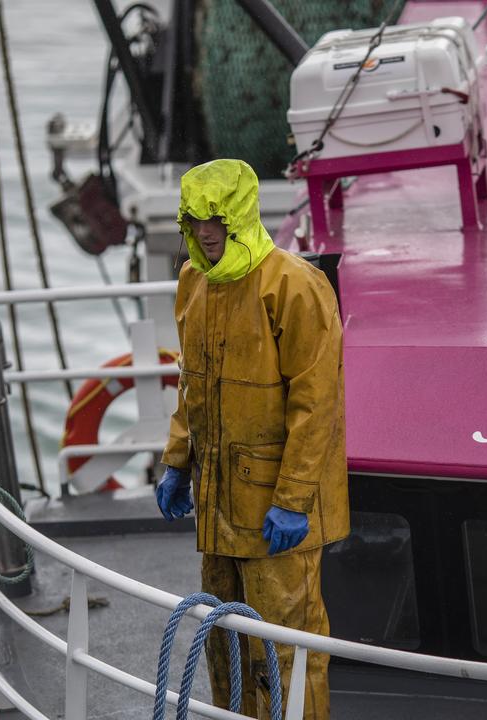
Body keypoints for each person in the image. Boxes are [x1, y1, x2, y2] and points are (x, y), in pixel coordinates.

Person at [156, 158, 349, 720]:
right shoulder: (194, 282)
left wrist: (291, 501)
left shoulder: (295, 286)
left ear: (239, 214)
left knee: (288, 645)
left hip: (276, 511)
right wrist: (176, 461)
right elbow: (190, 382)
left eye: (216, 215)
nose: (206, 229)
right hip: (218, 505)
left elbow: (316, 407)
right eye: (194, 217)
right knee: (226, 640)